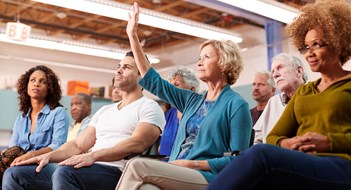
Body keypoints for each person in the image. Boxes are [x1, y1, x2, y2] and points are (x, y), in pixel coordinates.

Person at [207, 0, 351, 189]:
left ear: (337, 43)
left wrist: (330, 142)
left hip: (342, 165)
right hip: (303, 164)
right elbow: (274, 136)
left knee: (262, 156)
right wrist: (288, 143)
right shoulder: (305, 92)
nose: (309, 54)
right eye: (306, 47)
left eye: (316, 45)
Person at [115, 3, 252, 190]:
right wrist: (133, 36)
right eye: (199, 57)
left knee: (136, 164)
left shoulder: (236, 104)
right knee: (146, 189)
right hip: (176, 171)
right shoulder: (192, 101)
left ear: (224, 64)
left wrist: (194, 164)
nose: (199, 62)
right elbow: (153, 80)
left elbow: (239, 160)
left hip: (206, 176)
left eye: (206, 57)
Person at [3, 52, 166, 190]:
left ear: (141, 75)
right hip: (88, 168)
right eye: (119, 66)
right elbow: (77, 145)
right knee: (14, 174)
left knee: (65, 172)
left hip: (119, 172)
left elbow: (137, 143)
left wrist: (93, 156)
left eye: (127, 67)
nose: (119, 71)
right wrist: (48, 156)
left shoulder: (149, 107)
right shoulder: (104, 111)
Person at [1, 65, 69, 187]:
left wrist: (32, 155)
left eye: (42, 82)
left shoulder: (58, 113)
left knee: (12, 173)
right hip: (22, 166)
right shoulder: (20, 119)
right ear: (26, 86)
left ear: (49, 88)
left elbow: (58, 145)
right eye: (32, 80)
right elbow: (13, 147)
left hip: (48, 165)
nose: (36, 84)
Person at [253, 53, 307, 144]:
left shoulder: (315, 95)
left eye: (280, 67)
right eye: (273, 71)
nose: (275, 75)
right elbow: (257, 138)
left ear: (298, 71)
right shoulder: (273, 102)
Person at [159, 68, 200, 156]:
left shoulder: (198, 113)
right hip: (163, 162)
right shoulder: (170, 112)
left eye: (176, 85)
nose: (171, 89)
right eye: (170, 86)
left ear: (192, 89)